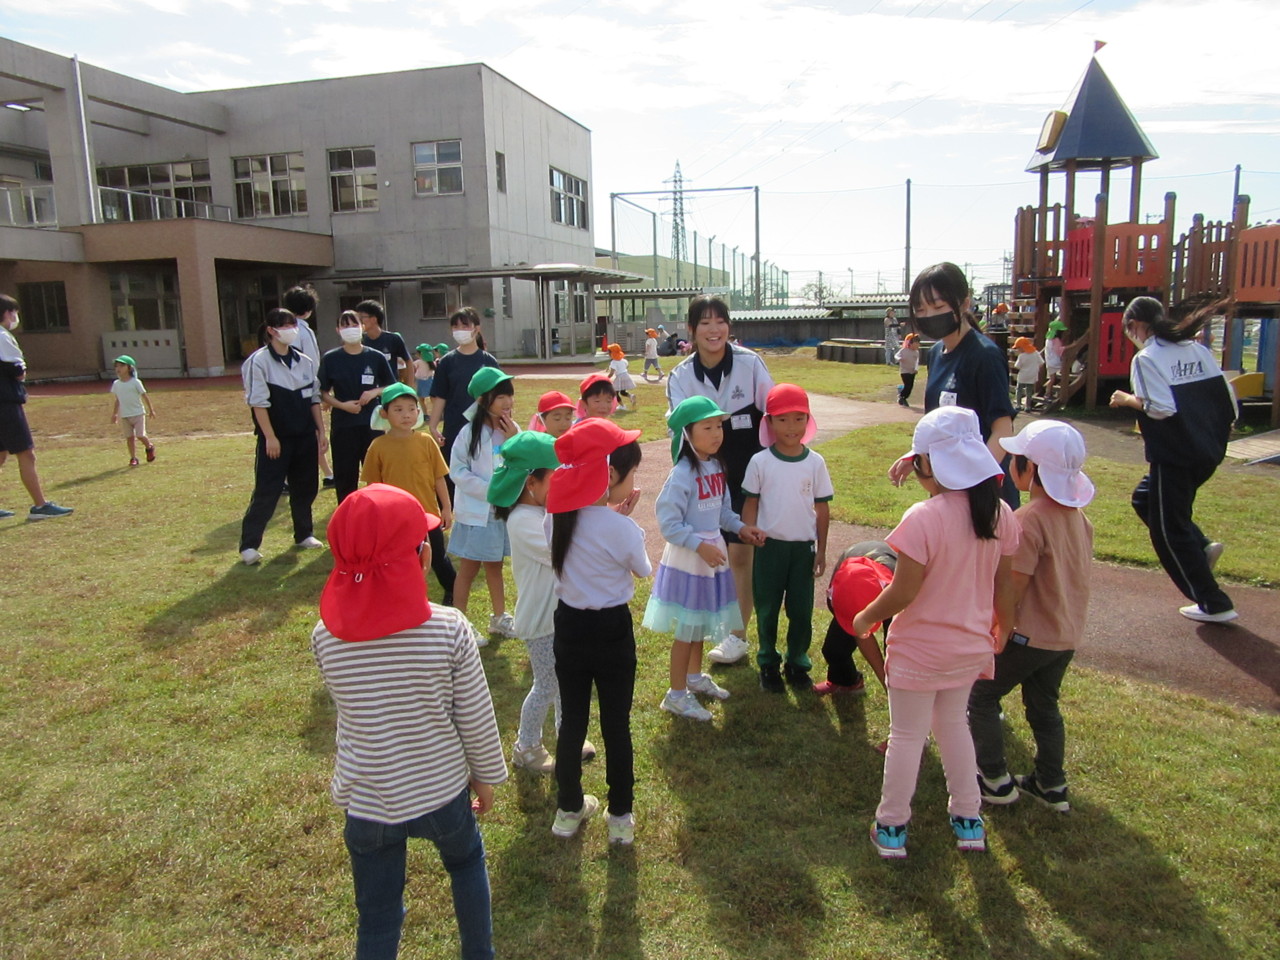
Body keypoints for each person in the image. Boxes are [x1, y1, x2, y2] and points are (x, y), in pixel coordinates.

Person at [311, 483, 506, 960]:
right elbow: (475, 716)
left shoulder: (327, 635)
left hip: (368, 799)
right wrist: (485, 777)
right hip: (441, 791)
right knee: (466, 863)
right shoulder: (449, 628)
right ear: (421, 556)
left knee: (377, 916)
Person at [855, 406, 1019, 859]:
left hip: (919, 651)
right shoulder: (1001, 513)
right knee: (954, 727)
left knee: (907, 737)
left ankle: (891, 826)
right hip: (970, 648)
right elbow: (1004, 582)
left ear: (929, 463)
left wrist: (866, 617)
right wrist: (1004, 625)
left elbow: (904, 591)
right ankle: (968, 819)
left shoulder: (924, 517)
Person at [969, 419, 1095, 814]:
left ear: (1031, 468)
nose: (1010, 463)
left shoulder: (1029, 519)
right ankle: (1051, 783)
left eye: (1016, 457)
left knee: (981, 696)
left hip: (1027, 636)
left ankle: (993, 778)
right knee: (1044, 707)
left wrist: (997, 627)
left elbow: (1013, 585)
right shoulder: (1079, 518)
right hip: (1064, 636)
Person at [545, 418, 649, 843]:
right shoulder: (621, 528)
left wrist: (613, 518)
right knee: (616, 724)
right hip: (611, 630)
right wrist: (623, 523)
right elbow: (642, 568)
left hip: (569, 626)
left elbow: (587, 537)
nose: (634, 481)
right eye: (632, 473)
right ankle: (620, 816)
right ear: (609, 475)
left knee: (572, 721)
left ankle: (568, 809)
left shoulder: (556, 519)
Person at [1109, 296, 1238, 623]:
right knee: (1144, 499)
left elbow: (1160, 408)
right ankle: (1202, 546)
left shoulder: (1146, 358)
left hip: (1176, 453)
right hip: (1208, 448)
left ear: (1134, 325)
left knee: (1169, 530)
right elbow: (1229, 399)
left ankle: (1213, 602)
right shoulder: (1196, 349)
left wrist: (1127, 399)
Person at [667, 295, 775, 666]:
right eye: (705, 322)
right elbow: (679, 431)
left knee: (740, 554)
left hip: (747, 468)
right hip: (706, 472)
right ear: (691, 329)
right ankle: (711, 627)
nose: (714, 330)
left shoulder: (750, 364)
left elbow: (771, 413)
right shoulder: (681, 375)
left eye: (720, 321)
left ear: (729, 326)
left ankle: (736, 636)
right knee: (709, 552)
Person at [643, 396, 765, 721]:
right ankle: (675, 694)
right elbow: (669, 524)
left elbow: (723, 512)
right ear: (687, 433)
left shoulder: (716, 466)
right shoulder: (682, 474)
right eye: (707, 427)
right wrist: (699, 546)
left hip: (711, 556)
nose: (716, 434)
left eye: (718, 427)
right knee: (687, 629)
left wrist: (742, 529)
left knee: (699, 624)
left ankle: (694, 677)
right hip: (690, 560)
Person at [488, 432, 596, 773]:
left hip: (561, 615)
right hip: (541, 620)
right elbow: (562, 553)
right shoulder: (523, 520)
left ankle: (568, 735)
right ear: (531, 483)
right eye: (556, 477)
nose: (563, 483)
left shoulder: (544, 511)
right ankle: (526, 747)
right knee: (547, 685)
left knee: (567, 680)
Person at [890, 262, 1018, 510]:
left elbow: (1003, 430)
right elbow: (938, 424)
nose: (929, 315)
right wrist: (917, 454)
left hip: (983, 494)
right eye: (921, 309)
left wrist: (975, 482)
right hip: (947, 489)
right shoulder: (936, 353)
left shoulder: (985, 355)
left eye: (938, 307)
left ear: (964, 304)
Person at [741, 383, 833, 692]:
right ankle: (768, 663)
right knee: (767, 608)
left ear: (808, 419)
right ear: (768, 422)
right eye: (782, 419)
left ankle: (797, 663)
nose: (791, 427)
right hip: (769, 548)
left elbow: (822, 508)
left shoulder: (815, 462)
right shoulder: (760, 462)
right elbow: (751, 502)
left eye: (798, 418)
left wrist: (821, 550)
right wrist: (750, 532)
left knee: (801, 611)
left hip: (802, 550)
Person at [238, 308, 327, 565]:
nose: (291, 330)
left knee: (306, 487)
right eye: (285, 326)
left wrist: (321, 431)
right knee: (268, 490)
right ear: (271, 330)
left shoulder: (304, 362)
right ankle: (249, 545)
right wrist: (270, 437)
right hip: (277, 438)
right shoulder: (259, 361)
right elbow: (258, 403)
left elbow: (313, 399)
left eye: (292, 325)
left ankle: (304, 533)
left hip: (304, 436)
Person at [362, 383, 457, 606]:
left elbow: (439, 477)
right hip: (394, 519)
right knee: (401, 561)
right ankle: (406, 598)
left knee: (437, 557)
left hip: (428, 515)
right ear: (384, 413)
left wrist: (446, 508)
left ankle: (453, 591)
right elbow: (373, 487)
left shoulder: (426, 441)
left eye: (412, 409)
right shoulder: (378, 446)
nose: (406, 415)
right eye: (398, 409)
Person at [449, 367, 520, 642]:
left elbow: (523, 461)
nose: (507, 402)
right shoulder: (468, 433)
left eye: (509, 395)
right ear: (482, 400)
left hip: (500, 513)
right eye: (500, 397)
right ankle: (460, 624)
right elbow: (458, 471)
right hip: (477, 513)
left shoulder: (512, 430)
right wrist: (490, 491)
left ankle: (499, 618)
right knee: (468, 569)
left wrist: (514, 439)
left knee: (494, 565)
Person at [0, 294, 72, 520]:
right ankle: (40, 506)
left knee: (0, 454)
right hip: (6, 403)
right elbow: (17, 370)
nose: (15, 317)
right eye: (14, 312)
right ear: (6, 313)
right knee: (26, 454)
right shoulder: (2, 336)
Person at [319, 310, 397, 503]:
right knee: (345, 475)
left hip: (372, 423)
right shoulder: (331, 358)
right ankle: (348, 513)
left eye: (354, 324)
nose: (350, 329)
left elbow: (391, 386)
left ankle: (379, 509)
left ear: (362, 327)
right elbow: (322, 392)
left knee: (377, 474)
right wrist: (341, 405)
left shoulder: (375, 357)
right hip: (344, 425)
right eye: (345, 325)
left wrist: (374, 392)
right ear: (338, 330)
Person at [815, 541, 896, 696]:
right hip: (862, 581)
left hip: (892, 588)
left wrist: (892, 684)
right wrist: (885, 683)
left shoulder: (899, 588)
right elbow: (862, 635)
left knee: (896, 654)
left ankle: (905, 693)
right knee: (834, 650)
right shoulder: (836, 591)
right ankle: (847, 682)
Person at [428, 308, 500, 462]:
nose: (460, 330)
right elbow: (440, 397)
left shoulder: (488, 361)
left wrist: (504, 425)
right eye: (456, 326)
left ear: (477, 328)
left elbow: (501, 396)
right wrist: (433, 426)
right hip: (454, 428)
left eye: (465, 326)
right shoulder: (447, 362)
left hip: (484, 428)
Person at [283, 285, 333, 486]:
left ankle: (327, 472)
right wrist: (320, 392)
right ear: (309, 309)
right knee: (311, 432)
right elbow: (313, 364)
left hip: (282, 391)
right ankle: (325, 474)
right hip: (302, 391)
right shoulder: (304, 331)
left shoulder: (281, 330)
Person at [108, 354, 156, 467]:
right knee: (129, 437)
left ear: (129, 368)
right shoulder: (116, 384)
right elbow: (118, 400)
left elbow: (144, 396)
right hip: (125, 415)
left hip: (138, 413)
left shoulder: (135, 382)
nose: (118, 369)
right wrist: (115, 414)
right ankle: (133, 458)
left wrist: (151, 410)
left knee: (140, 435)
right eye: (116, 366)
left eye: (122, 366)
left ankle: (149, 447)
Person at [357, 299, 413, 387]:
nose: (358, 321)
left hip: (390, 389)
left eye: (361, 317)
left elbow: (409, 362)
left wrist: (410, 386)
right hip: (367, 390)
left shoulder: (393, 339)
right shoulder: (359, 340)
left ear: (374, 319)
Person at [1012, 336, 1045, 412]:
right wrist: (1035, 368)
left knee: (1019, 389)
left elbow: (1017, 366)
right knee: (1029, 391)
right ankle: (1028, 406)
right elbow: (1041, 363)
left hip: (1023, 375)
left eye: (1018, 348)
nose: (1017, 350)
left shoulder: (1021, 356)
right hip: (1032, 375)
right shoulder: (1036, 353)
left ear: (1022, 347)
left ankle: (1018, 405)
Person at [606, 343, 638, 410]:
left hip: (619, 377)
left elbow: (612, 373)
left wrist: (606, 378)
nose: (608, 354)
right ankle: (631, 396)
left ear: (612, 353)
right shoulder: (623, 360)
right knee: (623, 392)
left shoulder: (614, 362)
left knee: (615, 393)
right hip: (626, 375)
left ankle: (622, 406)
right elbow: (627, 366)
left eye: (609, 352)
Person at [1042, 318, 1067, 402]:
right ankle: (1058, 393)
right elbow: (1058, 350)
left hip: (1049, 362)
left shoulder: (1048, 339)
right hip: (1056, 362)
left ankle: (1047, 393)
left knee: (1052, 379)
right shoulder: (1056, 340)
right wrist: (1068, 347)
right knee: (1062, 376)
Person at [895, 333, 920, 407]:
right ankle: (901, 396)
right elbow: (896, 355)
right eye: (916, 343)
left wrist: (916, 369)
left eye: (918, 343)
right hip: (904, 371)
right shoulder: (904, 350)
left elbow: (917, 362)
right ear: (910, 343)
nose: (918, 345)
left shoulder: (916, 352)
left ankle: (903, 397)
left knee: (910, 386)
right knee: (907, 385)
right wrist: (899, 359)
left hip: (912, 371)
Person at [413, 343, 437, 418]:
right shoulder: (432, 363)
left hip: (421, 382)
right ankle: (437, 413)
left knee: (421, 399)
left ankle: (425, 414)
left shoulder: (418, 362)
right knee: (433, 398)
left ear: (421, 354)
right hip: (430, 381)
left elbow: (412, 368)